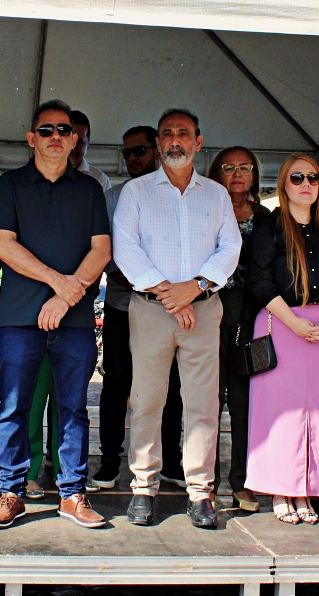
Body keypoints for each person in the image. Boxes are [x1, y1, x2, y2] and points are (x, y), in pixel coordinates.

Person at [0, 100, 109, 530]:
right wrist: (62, 284)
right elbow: (3, 246)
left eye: (64, 129)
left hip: (72, 321)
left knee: (72, 408)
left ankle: (72, 493)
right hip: (20, 317)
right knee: (14, 406)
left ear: (74, 139)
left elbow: (102, 251)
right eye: (47, 129)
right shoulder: (11, 185)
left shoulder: (89, 189)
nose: (56, 136)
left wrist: (64, 300)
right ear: (31, 137)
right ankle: (12, 491)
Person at [112, 108, 241, 529]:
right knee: (148, 400)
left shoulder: (216, 195)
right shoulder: (137, 191)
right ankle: (143, 488)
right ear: (158, 143)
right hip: (151, 311)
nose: (174, 141)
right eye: (167, 134)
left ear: (198, 142)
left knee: (202, 403)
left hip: (203, 311)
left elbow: (230, 247)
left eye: (182, 133)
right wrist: (170, 293)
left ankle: (201, 492)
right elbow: (125, 248)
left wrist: (196, 287)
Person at [245, 154, 319, 524]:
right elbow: (260, 282)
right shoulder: (269, 227)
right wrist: (295, 324)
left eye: (314, 178)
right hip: (282, 325)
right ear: (284, 183)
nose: (306, 184)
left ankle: (306, 491)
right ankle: (280, 490)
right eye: (297, 177)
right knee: (280, 414)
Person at [91, 126, 185, 494]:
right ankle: (110, 461)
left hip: (170, 309)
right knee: (116, 385)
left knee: (171, 387)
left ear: (159, 150)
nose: (133, 159)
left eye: (140, 151)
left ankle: (171, 461)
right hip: (123, 306)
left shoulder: (179, 194)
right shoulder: (114, 197)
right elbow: (108, 252)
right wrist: (144, 281)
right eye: (128, 153)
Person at [207, 145, 271, 513]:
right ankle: (208, 482)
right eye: (228, 167)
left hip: (255, 316)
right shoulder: (206, 212)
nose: (236, 174)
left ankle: (243, 481)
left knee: (247, 402)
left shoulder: (266, 218)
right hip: (212, 312)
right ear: (216, 173)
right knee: (208, 401)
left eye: (244, 167)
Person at [68, 109, 112, 193]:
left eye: (79, 142)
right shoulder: (42, 173)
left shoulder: (99, 179)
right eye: (69, 141)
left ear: (88, 143)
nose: (73, 147)